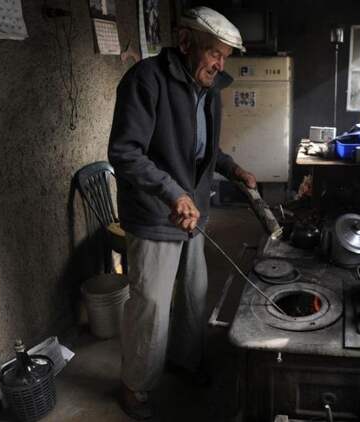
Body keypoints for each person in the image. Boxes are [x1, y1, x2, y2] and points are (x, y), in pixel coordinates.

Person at [107, 6, 256, 420]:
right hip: (155, 214)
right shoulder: (146, 80)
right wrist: (173, 194)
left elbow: (204, 150)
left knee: (193, 295)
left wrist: (233, 169)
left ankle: (184, 362)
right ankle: (134, 385)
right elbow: (125, 153)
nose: (219, 63)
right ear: (186, 42)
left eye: (225, 56)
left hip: (193, 212)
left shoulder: (208, 88)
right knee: (151, 304)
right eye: (214, 53)